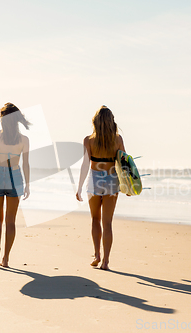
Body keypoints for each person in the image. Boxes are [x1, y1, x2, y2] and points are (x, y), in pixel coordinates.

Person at [76, 105, 126, 270]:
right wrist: (128, 187)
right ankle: (105, 261)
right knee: (108, 223)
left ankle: (96, 254)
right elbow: (125, 164)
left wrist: (79, 187)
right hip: (112, 180)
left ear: (96, 121)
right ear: (111, 121)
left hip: (95, 180)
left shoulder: (88, 140)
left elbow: (85, 165)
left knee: (95, 219)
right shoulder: (117, 140)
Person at [0, 103, 31, 268]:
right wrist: (27, 185)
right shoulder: (24, 140)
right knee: (10, 221)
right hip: (15, 177)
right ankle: (5, 258)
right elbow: (26, 164)